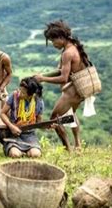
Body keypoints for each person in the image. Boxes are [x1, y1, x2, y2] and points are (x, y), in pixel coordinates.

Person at [34, 20, 92, 152]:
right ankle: (78, 145)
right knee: (71, 113)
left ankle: (68, 149)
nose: (53, 44)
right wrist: (42, 76)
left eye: (53, 41)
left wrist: (43, 78)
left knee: (54, 118)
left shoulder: (67, 53)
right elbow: (63, 71)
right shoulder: (73, 46)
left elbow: (63, 78)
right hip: (79, 91)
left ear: (60, 38)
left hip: (72, 92)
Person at [0, 77, 44, 158]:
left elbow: (39, 123)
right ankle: (14, 148)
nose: (20, 93)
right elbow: (2, 113)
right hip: (14, 134)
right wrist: (11, 126)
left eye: (23, 93)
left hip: (30, 135)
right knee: (15, 154)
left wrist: (48, 126)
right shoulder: (14, 96)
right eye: (20, 90)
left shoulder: (39, 102)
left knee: (35, 154)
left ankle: (28, 150)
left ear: (31, 95)